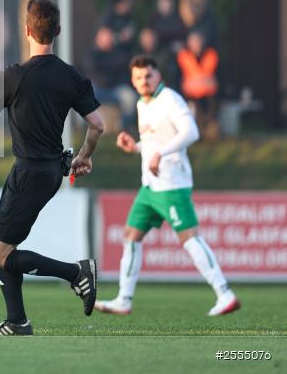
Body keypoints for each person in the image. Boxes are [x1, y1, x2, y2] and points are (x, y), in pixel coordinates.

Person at [0, 0, 105, 336]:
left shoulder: (13, 76)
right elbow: (98, 125)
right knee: (6, 248)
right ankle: (17, 321)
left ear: (26, 30)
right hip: (50, 172)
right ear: (58, 31)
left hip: (29, 173)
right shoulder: (71, 76)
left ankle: (75, 273)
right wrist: (85, 155)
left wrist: (0, 89)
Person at [95, 55, 239, 317]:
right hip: (150, 187)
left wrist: (160, 154)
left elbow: (191, 132)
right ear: (133, 81)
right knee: (131, 235)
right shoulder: (142, 103)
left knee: (189, 237)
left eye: (148, 76)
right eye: (138, 78)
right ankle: (124, 299)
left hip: (172, 183)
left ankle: (225, 293)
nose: (144, 81)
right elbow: (155, 142)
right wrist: (136, 147)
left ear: (158, 76)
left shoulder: (170, 99)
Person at [177, 31, 219, 132]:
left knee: (211, 107)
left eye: (198, 41)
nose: (196, 44)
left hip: (208, 94)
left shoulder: (211, 54)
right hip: (190, 95)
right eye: (193, 41)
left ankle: (209, 126)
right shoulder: (183, 55)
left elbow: (212, 73)